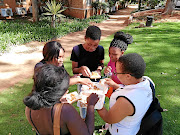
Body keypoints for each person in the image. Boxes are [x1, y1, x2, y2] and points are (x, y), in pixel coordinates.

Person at [24, 64, 99, 135]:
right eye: (65, 88)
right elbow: (87, 133)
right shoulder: (65, 110)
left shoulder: (29, 107)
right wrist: (91, 105)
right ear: (56, 91)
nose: (67, 90)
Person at [97, 53, 153, 135]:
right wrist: (115, 85)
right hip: (134, 128)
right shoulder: (147, 81)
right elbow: (132, 91)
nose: (115, 73)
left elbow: (109, 118)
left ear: (128, 76)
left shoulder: (126, 101)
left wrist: (96, 103)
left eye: (116, 73)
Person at [104, 31, 133, 98]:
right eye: (110, 53)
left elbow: (129, 89)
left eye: (114, 54)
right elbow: (112, 75)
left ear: (122, 53)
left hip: (124, 96)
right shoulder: (111, 62)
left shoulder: (127, 67)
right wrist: (107, 73)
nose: (110, 56)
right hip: (114, 92)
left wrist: (114, 85)